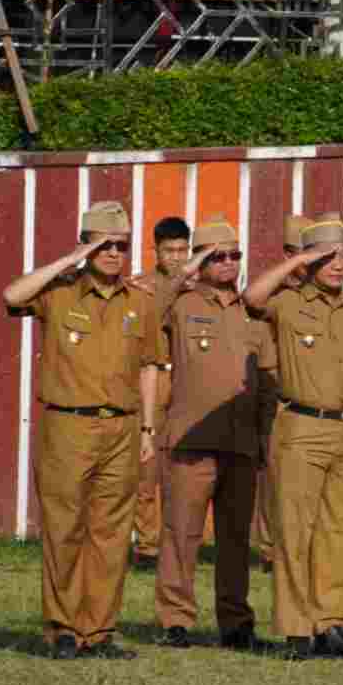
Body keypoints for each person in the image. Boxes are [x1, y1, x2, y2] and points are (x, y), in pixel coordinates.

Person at [3, 200, 159, 660]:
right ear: (86, 246)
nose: (114, 253)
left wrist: (149, 428)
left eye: (122, 245)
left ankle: (100, 631)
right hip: (67, 426)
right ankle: (64, 628)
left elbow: (151, 365)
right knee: (65, 528)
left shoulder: (140, 302)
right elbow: (13, 296)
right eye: (104, 244)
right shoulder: (60, 292)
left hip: (123, 428)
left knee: (111, 534)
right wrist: (68, 261)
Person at [243, 217, 343, 661]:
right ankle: (297, 631)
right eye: (328, 256)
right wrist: (300, 262)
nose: (338, 264)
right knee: (294, 532)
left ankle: (330, 626)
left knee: (335, 533)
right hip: (301, 427)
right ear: (308, 259)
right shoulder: (286, 304)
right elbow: (251, 297)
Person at [151, 222, 277, 651]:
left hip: (241, 444)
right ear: (200, 260)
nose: (228, 263)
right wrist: (188, 269)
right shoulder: (181, 305)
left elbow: (267, 382)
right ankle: (175, 620)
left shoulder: (253, 312)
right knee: (181, 535)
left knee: (235, 539)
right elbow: (151, 305)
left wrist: (265, 437)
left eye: (235, 255)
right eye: (216, 256)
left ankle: (236, 623)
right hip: (190, 442)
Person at [252, 213, 311, 573]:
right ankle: (271, 549)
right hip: (269, 386)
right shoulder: (272, 293)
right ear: (291, 253)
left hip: (303, 390)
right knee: (272, 472)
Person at [131, 216, 191, 571]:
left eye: (183, 250)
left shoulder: (199, 287)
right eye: (169, 250)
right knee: (147, 470)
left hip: (186, 383)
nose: (177, 258)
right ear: (156, 250)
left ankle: (175, 543)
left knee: (180, 469)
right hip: (154, 379)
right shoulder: (143, 287)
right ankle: (148, 547)